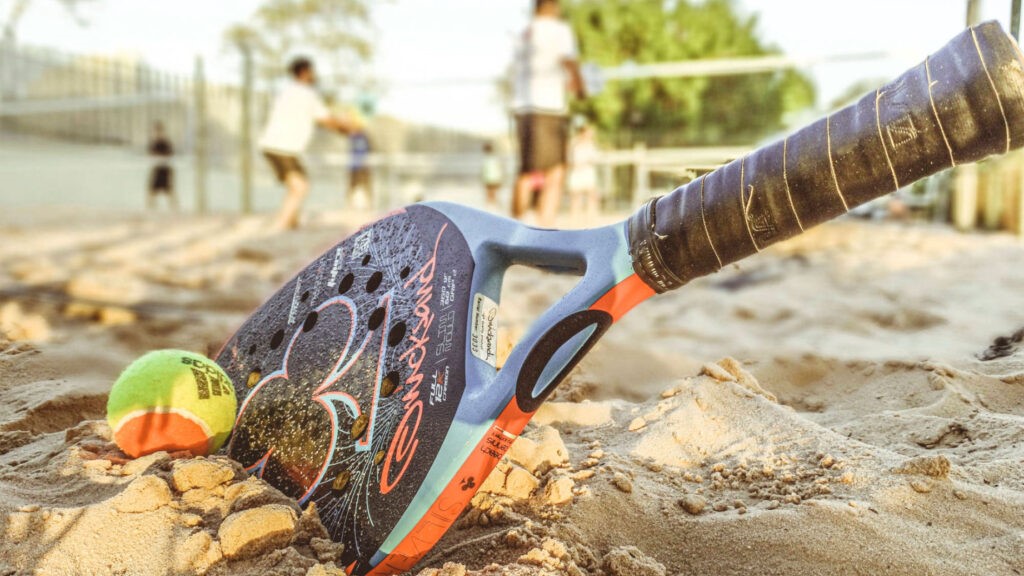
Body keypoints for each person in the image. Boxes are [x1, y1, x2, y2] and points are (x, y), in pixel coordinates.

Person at [510, 0, 585, 227]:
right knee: (556, 171)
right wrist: (580, 88)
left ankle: (513, 228)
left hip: (524, 110)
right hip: (548, 110)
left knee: (526, 170)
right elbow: (569, 62)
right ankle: (545, 229)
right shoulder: (558, 30)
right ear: (552, 6)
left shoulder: (525, 33)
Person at [259, 57, 354, 230]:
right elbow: (326, 120)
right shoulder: (306, 94)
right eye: (312, 71)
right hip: (282, 148)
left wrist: (341, 126)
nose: (314, 75)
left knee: (297, 184)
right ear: (304, 72)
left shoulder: (288, 92)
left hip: (278, 147)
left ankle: (292, 223)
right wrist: (346, 128)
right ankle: (279, 226)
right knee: (300, 187)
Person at [568, 122, 600, 224]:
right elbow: (570, 158)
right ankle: (575, 217)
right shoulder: (574, 143)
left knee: (591, 194)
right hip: (577, 171)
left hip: (587, 171)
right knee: (576, 196)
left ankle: (591, 217)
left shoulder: (591, 144)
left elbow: (594, 158)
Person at [147, 122, 178, 210]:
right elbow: (151, 156)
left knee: (170, 192)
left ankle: (175, 210)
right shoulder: (153, 144)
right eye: (156, 131)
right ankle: (151, 211)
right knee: (151, 193)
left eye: (159, 131)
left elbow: (170, 156)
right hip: (156, 171)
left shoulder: (167, 143)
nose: (157, 134)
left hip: (165, 171)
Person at [348, 127, 372, 210]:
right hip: (355, 166)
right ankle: (351, 205)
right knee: (354, 186)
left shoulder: (363, 137)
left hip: (362, 166)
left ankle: (368, 205)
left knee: (365, 186)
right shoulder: (354, 137)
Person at [481, 142, 503, 208]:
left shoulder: (485, 159)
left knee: (489, 193)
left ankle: (489, 205)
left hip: (488, 178)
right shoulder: (495, 158)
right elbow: (499, 168)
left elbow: (484, 170)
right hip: (495, 178)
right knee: (494, 192)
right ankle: (494, 204)